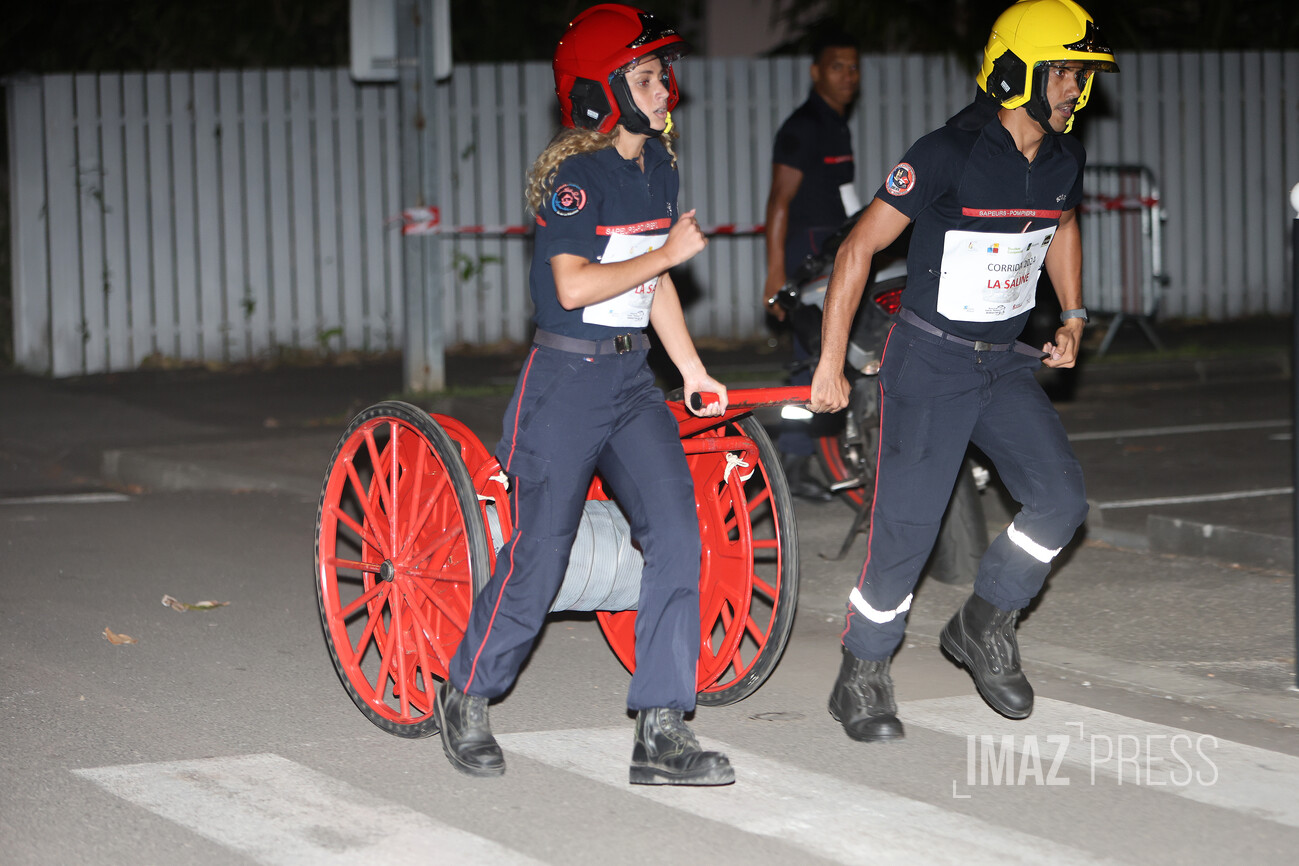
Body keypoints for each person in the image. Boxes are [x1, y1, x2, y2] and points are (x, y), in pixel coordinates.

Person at [436, 3, 735, 787]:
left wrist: (691, 369)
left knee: (678, 535)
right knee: (541, 552)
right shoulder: (575, 180)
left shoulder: (658, 165)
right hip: (566, 383)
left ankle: (660, 728)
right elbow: (572, 286)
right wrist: (663, 255)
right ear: (602, 92)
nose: (664, 90)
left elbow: (652, 281)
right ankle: (466, 693)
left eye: (664, 76)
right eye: (647, 77)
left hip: (632, 382)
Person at [808, 0, 1118, 741]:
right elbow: (857, 248)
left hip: (1002, 367)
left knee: (1060, 501)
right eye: (1065, 72)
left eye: (1081, 76)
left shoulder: (1063, 159)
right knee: (905, 531)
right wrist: (830, 362)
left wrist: (1073, 314)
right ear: (1017, 72)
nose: (1076, 88)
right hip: (930, 362)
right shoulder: (947, 152)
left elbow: (1062, 224)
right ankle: (862, 670)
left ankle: (983, 620)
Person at [762, 29, 861, 502]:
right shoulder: (802, 127)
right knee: (813, 353)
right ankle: (793, 464)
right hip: (805, 250)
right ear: (816, 72)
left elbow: (845, 195)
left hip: (833, 245)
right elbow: (778, 202)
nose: (848, 76)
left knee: (837, 347)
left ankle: (813, 455)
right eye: (837, 66)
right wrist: (774, 274)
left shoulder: (837, 124)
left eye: (854, 67)